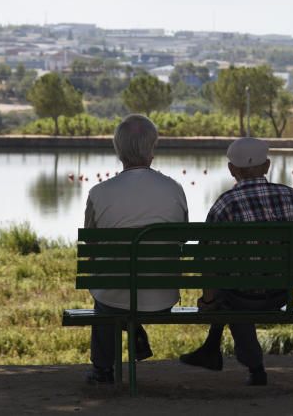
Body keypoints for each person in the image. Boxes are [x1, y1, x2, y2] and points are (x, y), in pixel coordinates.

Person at [179, 137, 293, 386]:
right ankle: (223, 356)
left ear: (232, 170)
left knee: (234, 295)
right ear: (267, 166)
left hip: (241, 296)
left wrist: (208, 301)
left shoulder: (225, 204)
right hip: (282, 293)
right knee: (238, 289)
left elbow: (207, 258)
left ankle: (249, 365)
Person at [83, 114, 189, 385]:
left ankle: (103, 370)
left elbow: (91, 245)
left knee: (107, 294)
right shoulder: (174, 189)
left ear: (118, 150)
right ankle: (135, 327)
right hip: (161, 296)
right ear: (152, 148)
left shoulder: (98, 192)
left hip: (115, 297)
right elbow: (183, 238)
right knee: (119, 288)